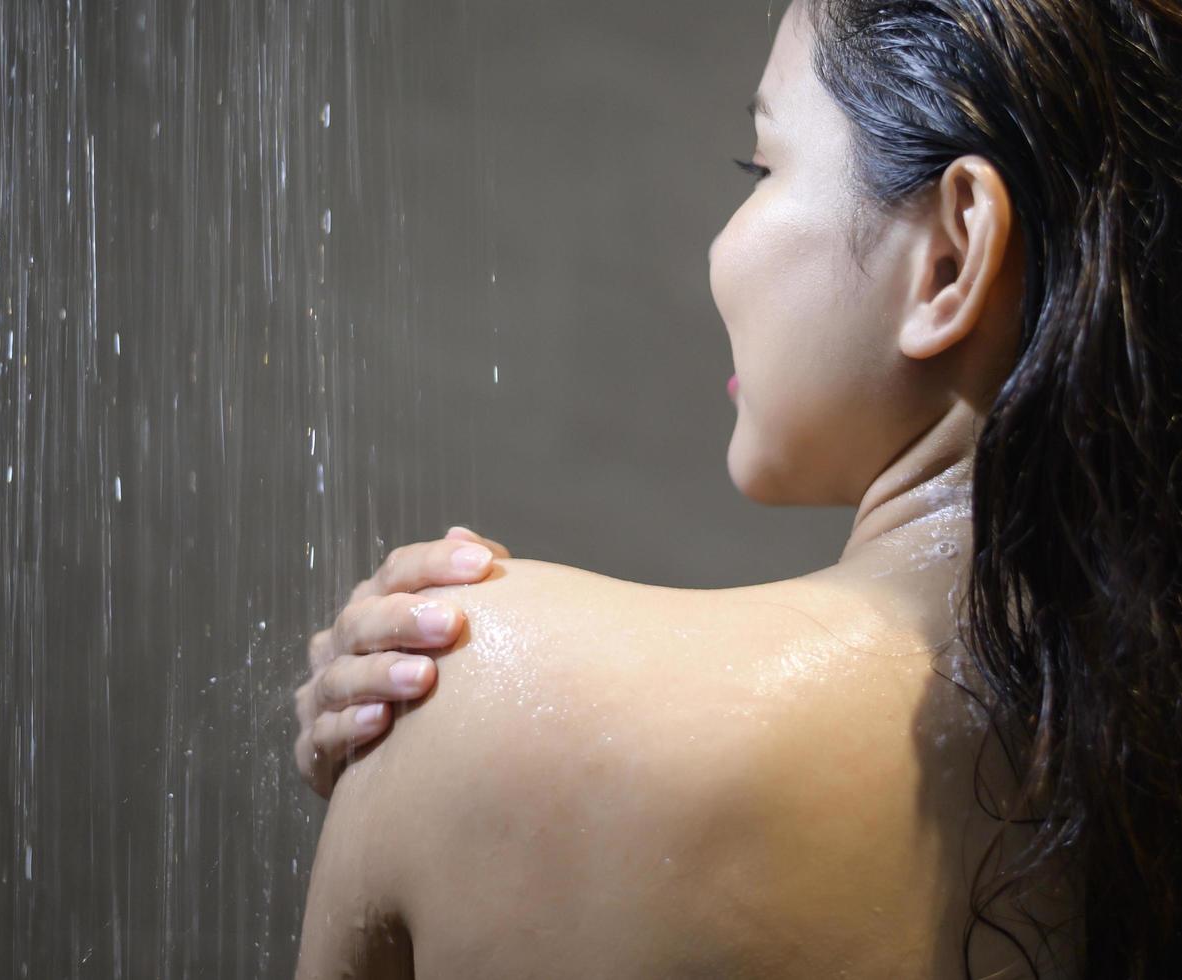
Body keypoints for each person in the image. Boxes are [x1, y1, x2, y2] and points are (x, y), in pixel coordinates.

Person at [291, 0, 1182, 975]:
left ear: (949, 257)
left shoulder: (489, 691)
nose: (718, 249)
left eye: (761, 167)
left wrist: (403, 760)